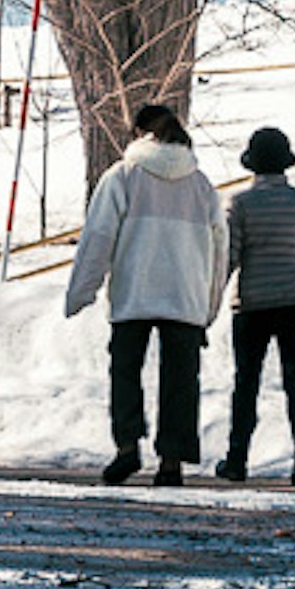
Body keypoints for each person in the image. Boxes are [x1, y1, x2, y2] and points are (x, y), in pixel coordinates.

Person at [63, 97, 226, 481]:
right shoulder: (201, 185)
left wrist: (80, 293)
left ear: (139, 133)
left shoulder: (123, 176)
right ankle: (172, 461)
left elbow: (98, 238)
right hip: (186, 296)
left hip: (133, 293)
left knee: (125, 371)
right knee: (181, 381)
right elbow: (219, 251)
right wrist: (209, 306)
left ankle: (127, 447)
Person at [219, 122, 295, 485]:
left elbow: (230, 256)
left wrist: (212, 297)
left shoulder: (241, 203)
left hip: (253, 303)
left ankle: (237, 458)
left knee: (246, 381)